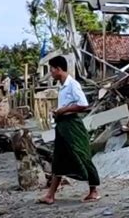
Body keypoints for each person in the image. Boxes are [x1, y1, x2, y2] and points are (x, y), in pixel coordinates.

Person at [38, 55, 100, 204]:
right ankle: (50, 195)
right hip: (62, 125)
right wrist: (59, 111)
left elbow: (83, 104)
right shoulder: (62, 85)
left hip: (72, 125)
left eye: (52, 70)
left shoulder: (73, 84)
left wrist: (63, 110)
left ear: (59, 69)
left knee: (82, 155)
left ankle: (94, 190)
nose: (51, 73)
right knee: (58, 159)